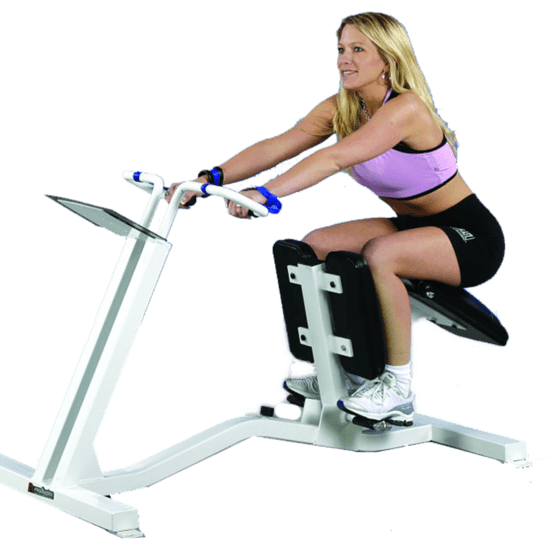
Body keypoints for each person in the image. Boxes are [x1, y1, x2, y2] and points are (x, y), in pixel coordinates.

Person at [165, 12, 505, 426]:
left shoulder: (407, 109)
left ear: (388, 59)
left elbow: (336, 156)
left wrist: (266, 193)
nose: (345, 59)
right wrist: (207, 178)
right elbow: (278, 145)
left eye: (358, 50)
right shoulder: (342, 108)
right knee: (317, 245)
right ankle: (338, 372)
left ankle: (398, 386)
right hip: (413, 227)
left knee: (383, 255)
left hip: (468, 236)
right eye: (341, 49)